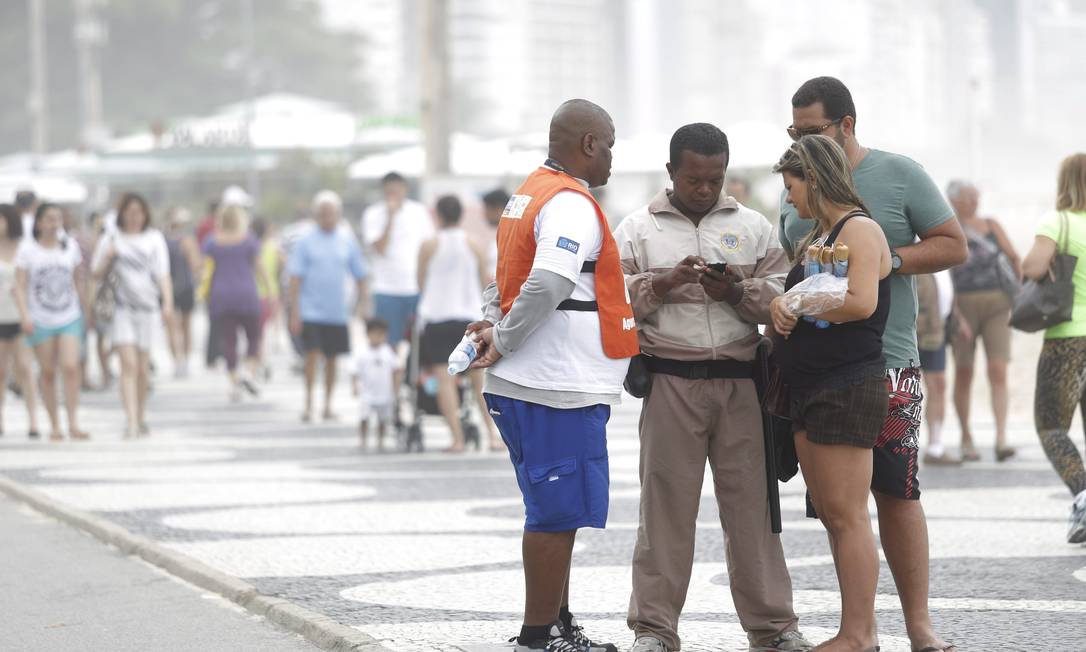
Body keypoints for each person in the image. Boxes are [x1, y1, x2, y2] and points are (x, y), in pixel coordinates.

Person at [778, 77, 966, 652]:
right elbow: (801, 272)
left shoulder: (898, 174)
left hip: (890, 365)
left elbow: (952, 245)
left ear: (846, 125)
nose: (802, 140)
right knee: (842, 507)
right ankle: (862, 630)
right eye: (794, 131)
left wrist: (883, 261)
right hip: (826, 369)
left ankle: (919, 628)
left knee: (898, 493)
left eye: (811, 131)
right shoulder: (802, 206)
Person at [613, 123, 810, 652]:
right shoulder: (636, 230)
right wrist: (664, 283)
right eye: (694, 178)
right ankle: (654, 631)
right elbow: (614, 306)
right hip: (670, 380)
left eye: (714, 178)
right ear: (671, 171)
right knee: (665, 510)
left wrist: (735, 292)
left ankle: (773, 629)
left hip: (742, 383)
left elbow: (780, 300)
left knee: (754, 512)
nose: (704, 188)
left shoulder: (753, 228)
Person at [469, 99, 635, 652]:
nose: (611, 156)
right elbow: (546, 284)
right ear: (589, 144)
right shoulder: (570, 204)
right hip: (552, 384)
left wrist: (495, 325)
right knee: (555, 513)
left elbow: (505, 282)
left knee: (555, 512)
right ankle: (537, 640)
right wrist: (505, 338)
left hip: (537, 383)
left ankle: (559, 628)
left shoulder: (528, 194)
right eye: (609, 144)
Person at [771, 135, 892, 652]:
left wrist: (794, 306)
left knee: (846, 515)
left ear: (814, 179)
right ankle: (854, 630)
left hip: (845, 383)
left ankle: (859, 635)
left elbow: (861, 302)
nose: (788, 198)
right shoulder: (820, 234)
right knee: (832, 513)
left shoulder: (859, 229)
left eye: (791, 185)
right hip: (814, 384)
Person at [1022, 152, 1086, 543]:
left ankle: (1082, 494)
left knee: (1051, 425)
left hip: (1066, 339)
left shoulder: (1058, 222)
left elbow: (1031, 266)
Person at [417, 195, 502, 453]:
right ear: (461, 216)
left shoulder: (429, 245)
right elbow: (482, 283)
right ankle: (493, 436)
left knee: (445, 380)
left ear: (438, 216)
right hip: (467, 318)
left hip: (437, 317)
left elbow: (420, 282)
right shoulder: (475, 244)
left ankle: (457, 439)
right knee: (478, 380)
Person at [945, 180, 1020, 462]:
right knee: (964, 372)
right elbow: (943, 274)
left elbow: (1014, 257)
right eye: (968, 197)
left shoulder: (991, 225)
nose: (974, 202)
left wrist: (1020, 296)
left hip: (998, 305)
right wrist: (955, 314)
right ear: (954, 200)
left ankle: (1001, 437)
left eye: (975, 196)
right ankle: (966, 437)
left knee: (997, 368)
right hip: (962, 305)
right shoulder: (948, 227)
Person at [92, 193, 174, 438]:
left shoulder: (154, 239)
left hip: (147, 308)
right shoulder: (111, 238)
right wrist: (107, 258)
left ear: (145, 214)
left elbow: (162, 274)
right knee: (127, 364)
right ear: (122, 214)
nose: (134, 217)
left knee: (141, 367)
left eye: (139, 212)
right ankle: (130, 420)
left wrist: (167, 303)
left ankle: (141, 414)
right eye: (130, 212)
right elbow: (95, 274)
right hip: (121, 308)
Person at [288, 191, 368, 422]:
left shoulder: (346, 240)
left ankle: (328, 404)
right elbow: (295, 278)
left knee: (333, 359)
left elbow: (360, 274)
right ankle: (308, 402)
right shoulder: (306, 241)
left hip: (337, 311)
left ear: (338, 214)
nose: (327, 218)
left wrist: (363, 305)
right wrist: (295, 311)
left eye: (331, 213)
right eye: (323, 213)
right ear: (316, 215)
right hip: (310, 309)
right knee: (311, 356)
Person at [14, 203, 91, 441]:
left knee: (70, 366)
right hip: (40, 318)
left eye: (57, 218)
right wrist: (25, 315)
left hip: (69, 316)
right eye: (48, 218)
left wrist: (84, 308)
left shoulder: (70, 248)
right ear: (38, 223)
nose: (54, 223)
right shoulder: (28, 251)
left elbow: (80, 278)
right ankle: (55, 424)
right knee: (48, 372)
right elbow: (19, 285)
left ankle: (73, 422)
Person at [202, 205, 268, 402]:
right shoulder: (249, 240)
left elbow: (203, 267)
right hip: (247, 294)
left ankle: (234, 381)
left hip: (221, 295)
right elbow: (259, 267)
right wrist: (270, 290)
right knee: (254, 337)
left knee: (228, 341)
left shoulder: (212, 242)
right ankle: (249, 372)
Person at [362, 172, 435, 346]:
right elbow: (379, 247)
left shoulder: (419, 212)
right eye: (389, 192)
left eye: (397, 191)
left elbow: (430, 245)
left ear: (405, 189)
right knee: (387, 342)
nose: (394, 195)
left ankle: (411, 373)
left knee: (419, 343)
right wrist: (390, 217)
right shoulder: (373, 214)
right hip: (386, 289)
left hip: (415, 288)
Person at [916, 272, 964, 465]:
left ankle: (935, 445)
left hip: (937, 329)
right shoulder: (917, 249)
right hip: (917, 330)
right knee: (900, 385)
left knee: (938, 385)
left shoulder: (944, 259)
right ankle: (893, 443)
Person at [0, 204, 40, 439]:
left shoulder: (21, 249)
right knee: (1, 371)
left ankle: (33, 419)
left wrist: (27, 314)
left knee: (25, 368)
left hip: (19, 316)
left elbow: (23, 285)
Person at [351, 318, 401, 452]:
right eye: (375, 333)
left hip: (384, 392)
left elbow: (396, 369)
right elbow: (354, 371)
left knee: (382, 419)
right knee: (364, 417)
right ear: (368, 334)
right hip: (367, 392)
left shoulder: (388, 352)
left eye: (382, 334)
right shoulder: (361, 352)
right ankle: (362, 439)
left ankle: (380, 440)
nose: (378, 337)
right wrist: (355, 386)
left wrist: (396, 388)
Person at [164, 207, 200, 378]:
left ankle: (177, 361)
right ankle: (184, 360)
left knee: (171, 327)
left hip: (167, 288)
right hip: (185, 287)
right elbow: (195, 265)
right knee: (185, 327)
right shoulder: (187, 240)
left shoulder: (161, 240)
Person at [252, 217, 283, 377]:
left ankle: (257, 361)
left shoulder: (251, 248)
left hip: (253, 294)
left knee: (254, 333)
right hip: (271, 293)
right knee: (265, 332)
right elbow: (280, 267)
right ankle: (264, 361)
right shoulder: (274, 247)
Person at [482, 188, 511, 281]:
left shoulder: (512, 240)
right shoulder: (496, 241)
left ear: (498, 209)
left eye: (487, 209)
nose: (484, 214)